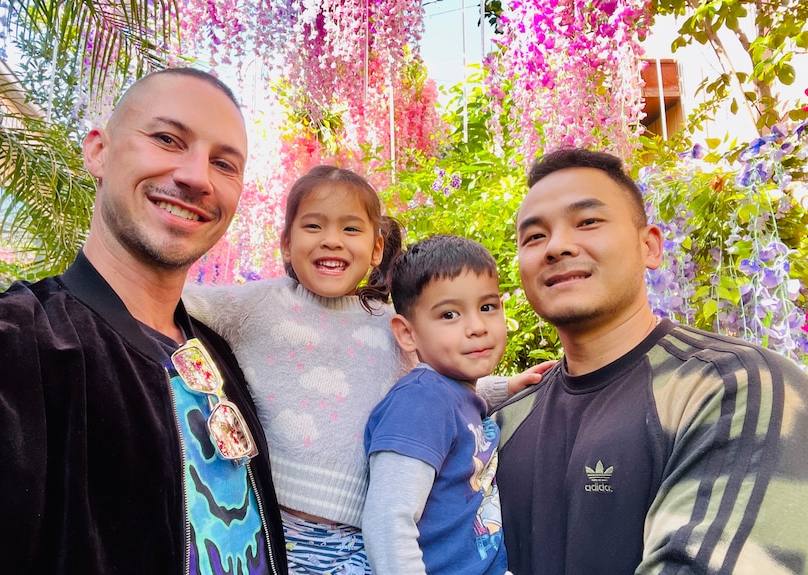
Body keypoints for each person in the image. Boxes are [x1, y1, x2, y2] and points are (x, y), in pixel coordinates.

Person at [0, 68, 288, 574]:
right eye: (167, 139)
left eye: (224, 163)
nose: (197, 177)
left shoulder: (219, 356)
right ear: (98, 151)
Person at [183, 167, 543, 573]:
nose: (332, 240)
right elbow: (180, 299)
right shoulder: (260, 305)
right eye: (314, 226)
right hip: (282, 525)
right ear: (286, 244)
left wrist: (505, 387)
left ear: (375, 250)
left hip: (361, 531)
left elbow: (439, 386)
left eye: (351, 229)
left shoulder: (388, 324)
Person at [495, 147, 808, 574]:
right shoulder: (504, 422)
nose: (557, 247)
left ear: (651, 247)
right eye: (533, 237)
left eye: (587, 221)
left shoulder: (735, 387)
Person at [363, 234, 512, 575]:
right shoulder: (420, 401)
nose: (476, 327)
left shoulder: (451, 395)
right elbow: (388, 519)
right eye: (449, 314)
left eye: (487, 307)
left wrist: (512, 386)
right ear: (407, 334)